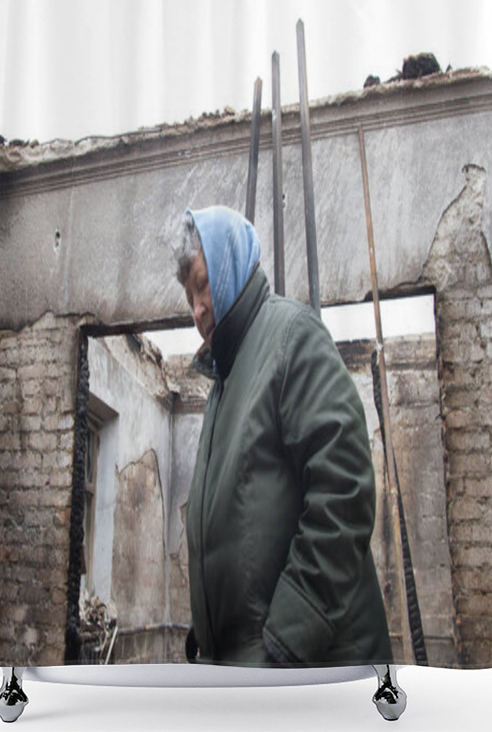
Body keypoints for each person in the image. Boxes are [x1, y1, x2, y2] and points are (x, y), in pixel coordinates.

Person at [174, 205, 392, 667]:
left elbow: (344, 490)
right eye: (189, 297)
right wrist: (210, 623)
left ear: (230, 263)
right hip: (252, 669)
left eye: (202, 285)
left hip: (313, 669)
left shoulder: (292, 337)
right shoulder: (224, 383)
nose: (196, 310)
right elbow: (238, 524)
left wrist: (288, 641)